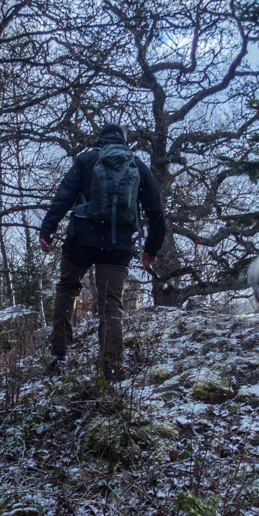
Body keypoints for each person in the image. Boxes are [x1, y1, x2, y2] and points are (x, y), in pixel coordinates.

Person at [38, 123, 166, 381]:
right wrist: (152, 248)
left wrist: (47, 229)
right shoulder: (137, 166)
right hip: (117, 245)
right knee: (111, 306)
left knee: (67, 287)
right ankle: (112, 368)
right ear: (124, 141)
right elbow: (156, 210)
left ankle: (58, 354)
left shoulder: (86, 159)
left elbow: (63, 196)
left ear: (100, 140)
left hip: (81, 240)